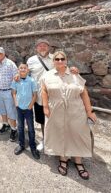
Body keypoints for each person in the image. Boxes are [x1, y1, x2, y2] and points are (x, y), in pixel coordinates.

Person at [41, 51, 97, 180]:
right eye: (57, 59)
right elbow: (44, 91)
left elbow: (84, 93)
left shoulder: (74, 74)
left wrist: (89, 111)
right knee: (60, 134)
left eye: (62, 59)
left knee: (77, 134)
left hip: (76, 110)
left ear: (66, 60)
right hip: (55, 110)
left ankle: (78, 161)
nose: (60, 61)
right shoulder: (47, 76)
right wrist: (45, 107)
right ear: (53, 61)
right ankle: (63, 158)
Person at [26, 39, 54, 151]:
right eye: (40, 46)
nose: (42, 48)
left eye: (45, 46)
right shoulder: (31, 60)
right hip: (38, 97)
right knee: (42, 120)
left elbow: (63, 69)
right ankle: (45, 140)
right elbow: (26, 75)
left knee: (55, 119)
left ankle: (55, 141)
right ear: (36, 48)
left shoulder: (55, 58)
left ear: (49, 47)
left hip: (53, 95)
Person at [11, 63, 40, 159]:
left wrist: (30, 106)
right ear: (18, 70)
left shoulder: (31, 81)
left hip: (28, 109)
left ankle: (33, 146)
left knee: (31, 128)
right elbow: (14, 93)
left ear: (27, 70)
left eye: (24, 68)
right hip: (19, 107)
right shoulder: (16, 80)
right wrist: (16, 103)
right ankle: (21, 145)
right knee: (20, 127)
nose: (23, 69)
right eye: (21, 68)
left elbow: (35, 95)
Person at [0, 47, 18, 142]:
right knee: (2, 111)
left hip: (8, 91)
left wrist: (14, 91)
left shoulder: (10, 63)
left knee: (11, 111)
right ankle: (5, 124)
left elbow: (16, 77)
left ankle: (13, 129)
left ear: (4, 54)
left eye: (0, 53)